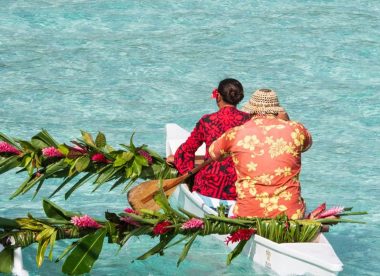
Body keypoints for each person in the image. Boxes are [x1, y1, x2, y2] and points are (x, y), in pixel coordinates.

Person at [209, 88, 312, 219]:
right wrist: (287, 121)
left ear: (251, 110)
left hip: (248, 213)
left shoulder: (235, 133)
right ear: (277, 110)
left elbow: (214, 153)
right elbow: (307, 144)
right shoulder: (296, 130)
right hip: (290, 214)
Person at [168, 78, 251, 212]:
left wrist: (183, 168)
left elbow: (187, 151)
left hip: (207, 189)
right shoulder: (251, 122)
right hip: (240, 190)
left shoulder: (207, 121)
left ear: (218, 96)